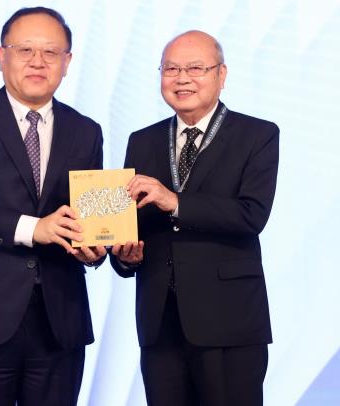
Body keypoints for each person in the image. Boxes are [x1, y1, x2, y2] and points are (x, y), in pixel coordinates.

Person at [0, 6, 106, 406]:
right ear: (1, 56)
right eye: (25, 49)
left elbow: (90, 216)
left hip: (60, 320)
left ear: (67, 63)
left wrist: (95, 249)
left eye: (50, 52)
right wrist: (34, 228)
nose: (37, 61)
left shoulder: (86, 130)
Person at [111, 30, 279, 406]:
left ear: (222, 74)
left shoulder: (258, 135)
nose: (181, 78)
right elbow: (131, 225)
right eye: (170, 68)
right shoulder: (143, 140)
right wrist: (123, 256)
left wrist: (174, 201)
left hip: (229, 321)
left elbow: (251, 214)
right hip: (160, 322)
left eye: (195, 68)